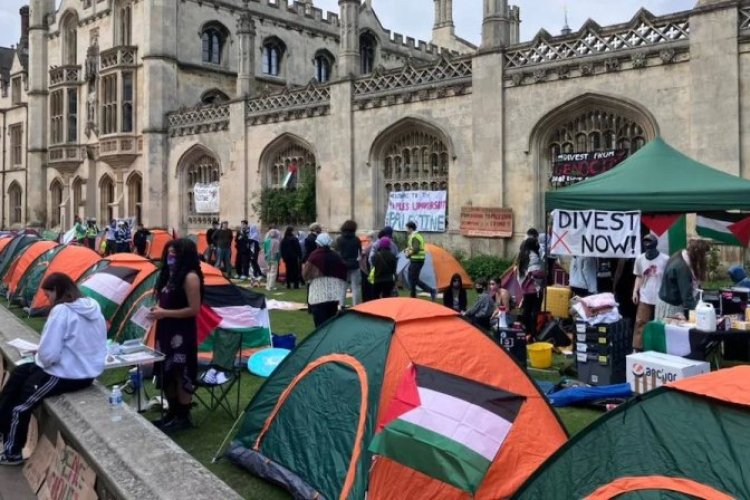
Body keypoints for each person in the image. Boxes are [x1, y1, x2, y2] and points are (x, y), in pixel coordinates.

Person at [0, 273, 106, 465]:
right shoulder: (92, 306)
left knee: (20, 406)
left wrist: (40, 357)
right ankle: (2, 427)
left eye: (48, 295)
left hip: (65, 373)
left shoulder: (61, 312)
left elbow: (49, 354)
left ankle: (12, 452)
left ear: (57, 291)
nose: (47, 300)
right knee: (18, 374)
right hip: (84, 370)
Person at [148, 239, 204, 431]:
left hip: (182, 333)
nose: (170, 257)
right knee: (167, 372)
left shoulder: (190, 277)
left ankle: (183, 417)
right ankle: (172, 412)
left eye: (174, 254)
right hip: (165, 330)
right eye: (168, 253)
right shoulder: (170, 276)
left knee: (181, 373)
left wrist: (165, 313)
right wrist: (158, 311)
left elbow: (193, 309)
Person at [656, 240, 710, 320]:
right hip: (671, 307)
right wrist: (705, 310)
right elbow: (687, 299)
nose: (706, 257)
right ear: (698, 255)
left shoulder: (680, 255)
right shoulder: (682, 268)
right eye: (705, 254)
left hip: (666, 301)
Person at [632, 234, 669, 350]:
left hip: (661, 298)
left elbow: (668, 278)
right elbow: (639, 276)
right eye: (647, 248)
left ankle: (659, 348)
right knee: (640, 322)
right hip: (645, 296)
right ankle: (637, 348)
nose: (649, 251)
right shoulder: (640, 259)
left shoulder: (665, 259)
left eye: (651, 248)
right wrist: (635, 291)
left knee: (660, 324)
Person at [303, 233, 347, 327]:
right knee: (330, 327)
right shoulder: (336, 257)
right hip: (334, 296)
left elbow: (305, 275)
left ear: (317, 244)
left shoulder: (314, 256)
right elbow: (343, 276)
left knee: (320, 327)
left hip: (317, 297)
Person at [518, 237, 545, 338]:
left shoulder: (521, 255)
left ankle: (526, 332)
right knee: (534, 312)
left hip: (526, 288)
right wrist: (543, 274)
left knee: (527, 311)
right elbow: (536, 272)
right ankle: (533, 334)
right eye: (536, 242)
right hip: (535, 288)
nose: (538, 244)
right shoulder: (533, 256)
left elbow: (520, 273)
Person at [405, 221, 437, 301]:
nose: (406, 230)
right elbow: (412, 247)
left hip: (417, 260)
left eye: (407, 228)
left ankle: (431, 291)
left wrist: (408, 254)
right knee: (412, 278)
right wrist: (407, 250)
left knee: (413, 279)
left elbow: (416, 248)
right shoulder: (415, 236)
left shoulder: (415, 237)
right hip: (416, 260)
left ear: (411, 228)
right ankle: (413, 295)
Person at [336, 220, 363, 307]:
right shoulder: (357, 240)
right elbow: (360, 253)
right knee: (356, 287)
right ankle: (356, 305)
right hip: (355, 264)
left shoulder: (339, 239)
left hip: (343, 264)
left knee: (342, 286)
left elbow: (337, 253)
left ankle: (341, 305)